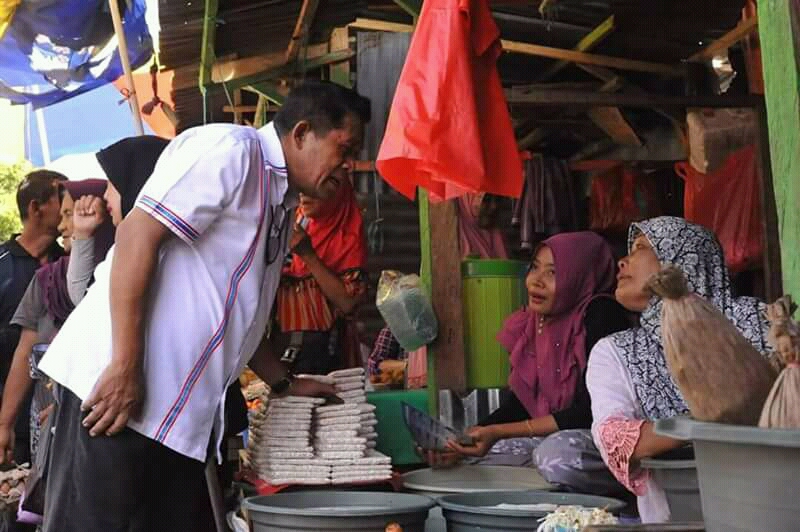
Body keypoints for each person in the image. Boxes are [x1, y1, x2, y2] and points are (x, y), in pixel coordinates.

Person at [37, 80, 370, 532]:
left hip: (172, 418)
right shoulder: (232, 153)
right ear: (302, 133)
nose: (348, 166)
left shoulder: (279, 201)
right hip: (115, 397)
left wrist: (283, 382)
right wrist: (124, 366)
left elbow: (235, 309)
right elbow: (137, 235)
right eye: (343, 149)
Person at [586, 216, 770, 523]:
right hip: (675, 515)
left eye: (640, 248)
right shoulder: (616, 352)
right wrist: (708, 416)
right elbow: (615, 438)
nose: (622, 262)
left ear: (683, 258)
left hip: (767, 506)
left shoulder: (755, 322)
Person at [428, 232, 631, 495]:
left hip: (601, 441)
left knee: (555, 456)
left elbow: (588, 411)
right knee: (473, 458)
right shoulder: (537, 322)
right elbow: (523, 403)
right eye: (534, 267)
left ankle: (609, 497)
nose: (536, 281)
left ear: (580, 277)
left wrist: (500, 431)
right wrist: (468, 439)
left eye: (553, 272)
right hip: (551, 437)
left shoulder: (601, 315)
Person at [0, 179, 113, 467]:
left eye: (69, 215)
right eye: (62, 214)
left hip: (98, 421)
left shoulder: (116, 278)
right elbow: (25, 351)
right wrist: (5, 423)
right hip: (42, 420)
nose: (63, 226)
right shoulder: (47, 279)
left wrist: (68, 404)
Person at [0, 170, 66, 465]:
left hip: (54, 417)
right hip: (8, 420)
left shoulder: (71, 267)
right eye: (61, 196)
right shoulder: (3, 264)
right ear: (35, 208)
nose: (71, 203)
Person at [275, 176, 368, 374]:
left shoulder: (347, 237)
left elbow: (348, 303)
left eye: (314, 189)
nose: (304, 195)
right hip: (284, 352)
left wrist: (309, 255)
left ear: (336, 194)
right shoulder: (297, 221)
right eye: (302, 188)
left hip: (327, 357)